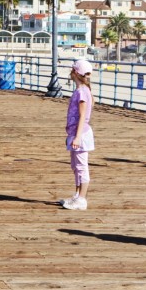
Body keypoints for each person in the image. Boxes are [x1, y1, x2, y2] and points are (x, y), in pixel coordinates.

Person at [62, 56, 95, 210]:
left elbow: (83, 116)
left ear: (74, 73)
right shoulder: (84, 90)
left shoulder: (82, 92)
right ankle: (76, 195)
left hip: (80, 133)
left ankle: (82, 198)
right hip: (77, 132)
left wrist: (77, 137)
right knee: (75, 165)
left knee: (81, 166)